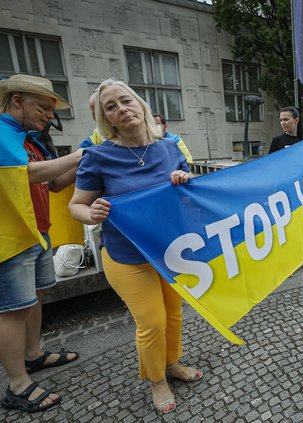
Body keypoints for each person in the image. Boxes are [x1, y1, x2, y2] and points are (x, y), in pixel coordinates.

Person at [69, 79, 201, 414]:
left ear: (141, 106)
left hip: (169, 250)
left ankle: (172, 363)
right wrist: (91, 212)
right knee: (152, 321)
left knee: (173, 314)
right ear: (106, 118)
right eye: (110, 107)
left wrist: (183, 182)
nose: (120, 109)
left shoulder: (170, 147)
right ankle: (157, 380)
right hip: (127, 257)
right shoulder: (98, 156)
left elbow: (190, 195)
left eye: (125, 101)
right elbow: (76, 205)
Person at [0, 74, 83, 413]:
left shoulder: (30, 139)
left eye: (51, 110)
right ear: (17, 100)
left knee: (36, 297)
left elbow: (55, 183)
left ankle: (33, 355)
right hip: (11, 237)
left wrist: (87, 162)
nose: (50, 115)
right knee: (12, 309)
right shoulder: (3, 132)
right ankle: (17, 385)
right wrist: (82, 154)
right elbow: (30, 174)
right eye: (43, 108)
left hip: (36, 231)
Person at [268, 106, 303, 266]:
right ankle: (287, 263)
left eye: (286, 119)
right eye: (281, 120)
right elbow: (268, 166)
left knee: (301, 225)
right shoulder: (277, 141)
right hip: (283, 191)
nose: (283, 123)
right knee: (286, 227)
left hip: (301, 189)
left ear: (296, 120)